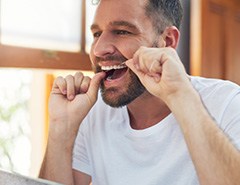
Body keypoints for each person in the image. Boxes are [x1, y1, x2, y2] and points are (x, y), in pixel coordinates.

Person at [39, 0, 240, 184]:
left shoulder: (228, 104)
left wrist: (180, 96)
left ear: (168, 41)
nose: (99, 49)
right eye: (97, 34)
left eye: (122, 31)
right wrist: (61, 128)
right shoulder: (91, 112)